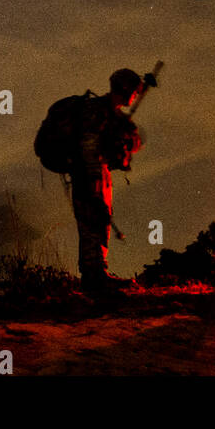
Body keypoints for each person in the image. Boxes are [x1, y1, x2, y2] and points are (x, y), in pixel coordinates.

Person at [70, 68, 147, 293]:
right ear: (125, 90)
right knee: (92, 221)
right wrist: (93, 178)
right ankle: (93, 278)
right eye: (133, 91)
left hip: (97, 172)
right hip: (89, 173)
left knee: (99, 221)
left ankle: (97, 273)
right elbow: (88, 145)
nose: (134, 96)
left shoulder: (107, 112)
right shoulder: (96, 111)